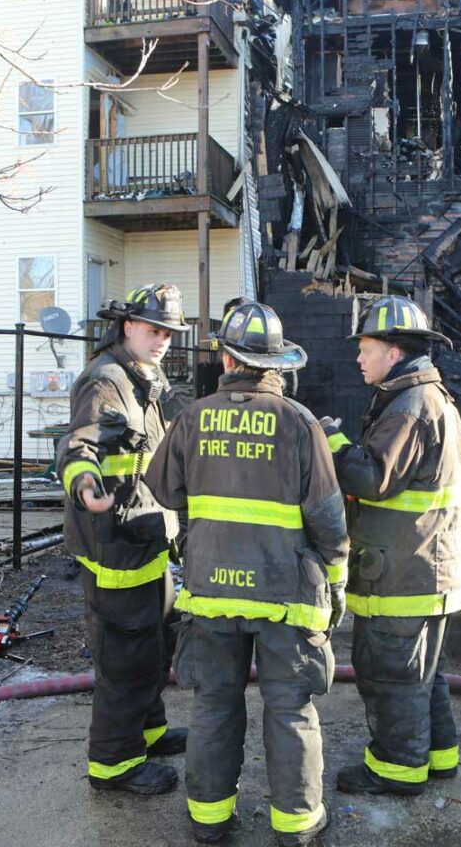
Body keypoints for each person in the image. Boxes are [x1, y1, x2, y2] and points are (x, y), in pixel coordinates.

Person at [146, 302, 347, 845]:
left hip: (210, 592)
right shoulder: (301, 423)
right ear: (276, 363)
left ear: (226, 358)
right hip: (286, 596)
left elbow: (162, 488)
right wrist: (338, 578)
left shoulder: (192, 418)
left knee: (213, 704)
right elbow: (328, 519)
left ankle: (209, 822)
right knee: (290, 711)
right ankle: (297, 826)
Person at [321, 296, 461, 796]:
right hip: (424, 566)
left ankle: (395, 768)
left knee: (392, 675)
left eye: (366, 348)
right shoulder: (425, 396)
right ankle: (438, 757)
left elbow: (372, 478)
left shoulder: (411, 405)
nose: (359, 359)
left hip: (406, 571)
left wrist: (332, 444)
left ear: (394, 350)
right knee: (425, 675)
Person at [60, 284, 191, 795]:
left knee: (157, 642)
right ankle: (114, 763)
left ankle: (150, 731)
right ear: (128, 326)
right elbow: (78, 445)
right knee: (125, 656)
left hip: (147, 542)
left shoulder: (145, 379)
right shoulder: (105, 381)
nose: (162, 340)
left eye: (169, 332)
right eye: (154, 329)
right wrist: (84, 484)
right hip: (114, 546)